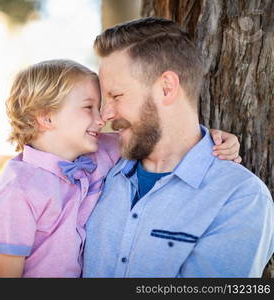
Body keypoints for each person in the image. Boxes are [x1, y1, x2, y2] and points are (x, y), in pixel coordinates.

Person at [0, 59, 240, 278]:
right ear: (47, 117)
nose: (101, 118)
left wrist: (214, 139)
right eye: (88, 108)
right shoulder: (19, 189)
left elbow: (166, 139)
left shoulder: (101, 151)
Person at [82, 17, 274, 278]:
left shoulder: (240, 198)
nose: (105, 115)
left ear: (167, 87)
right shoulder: (96, 168)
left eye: (116, 96)